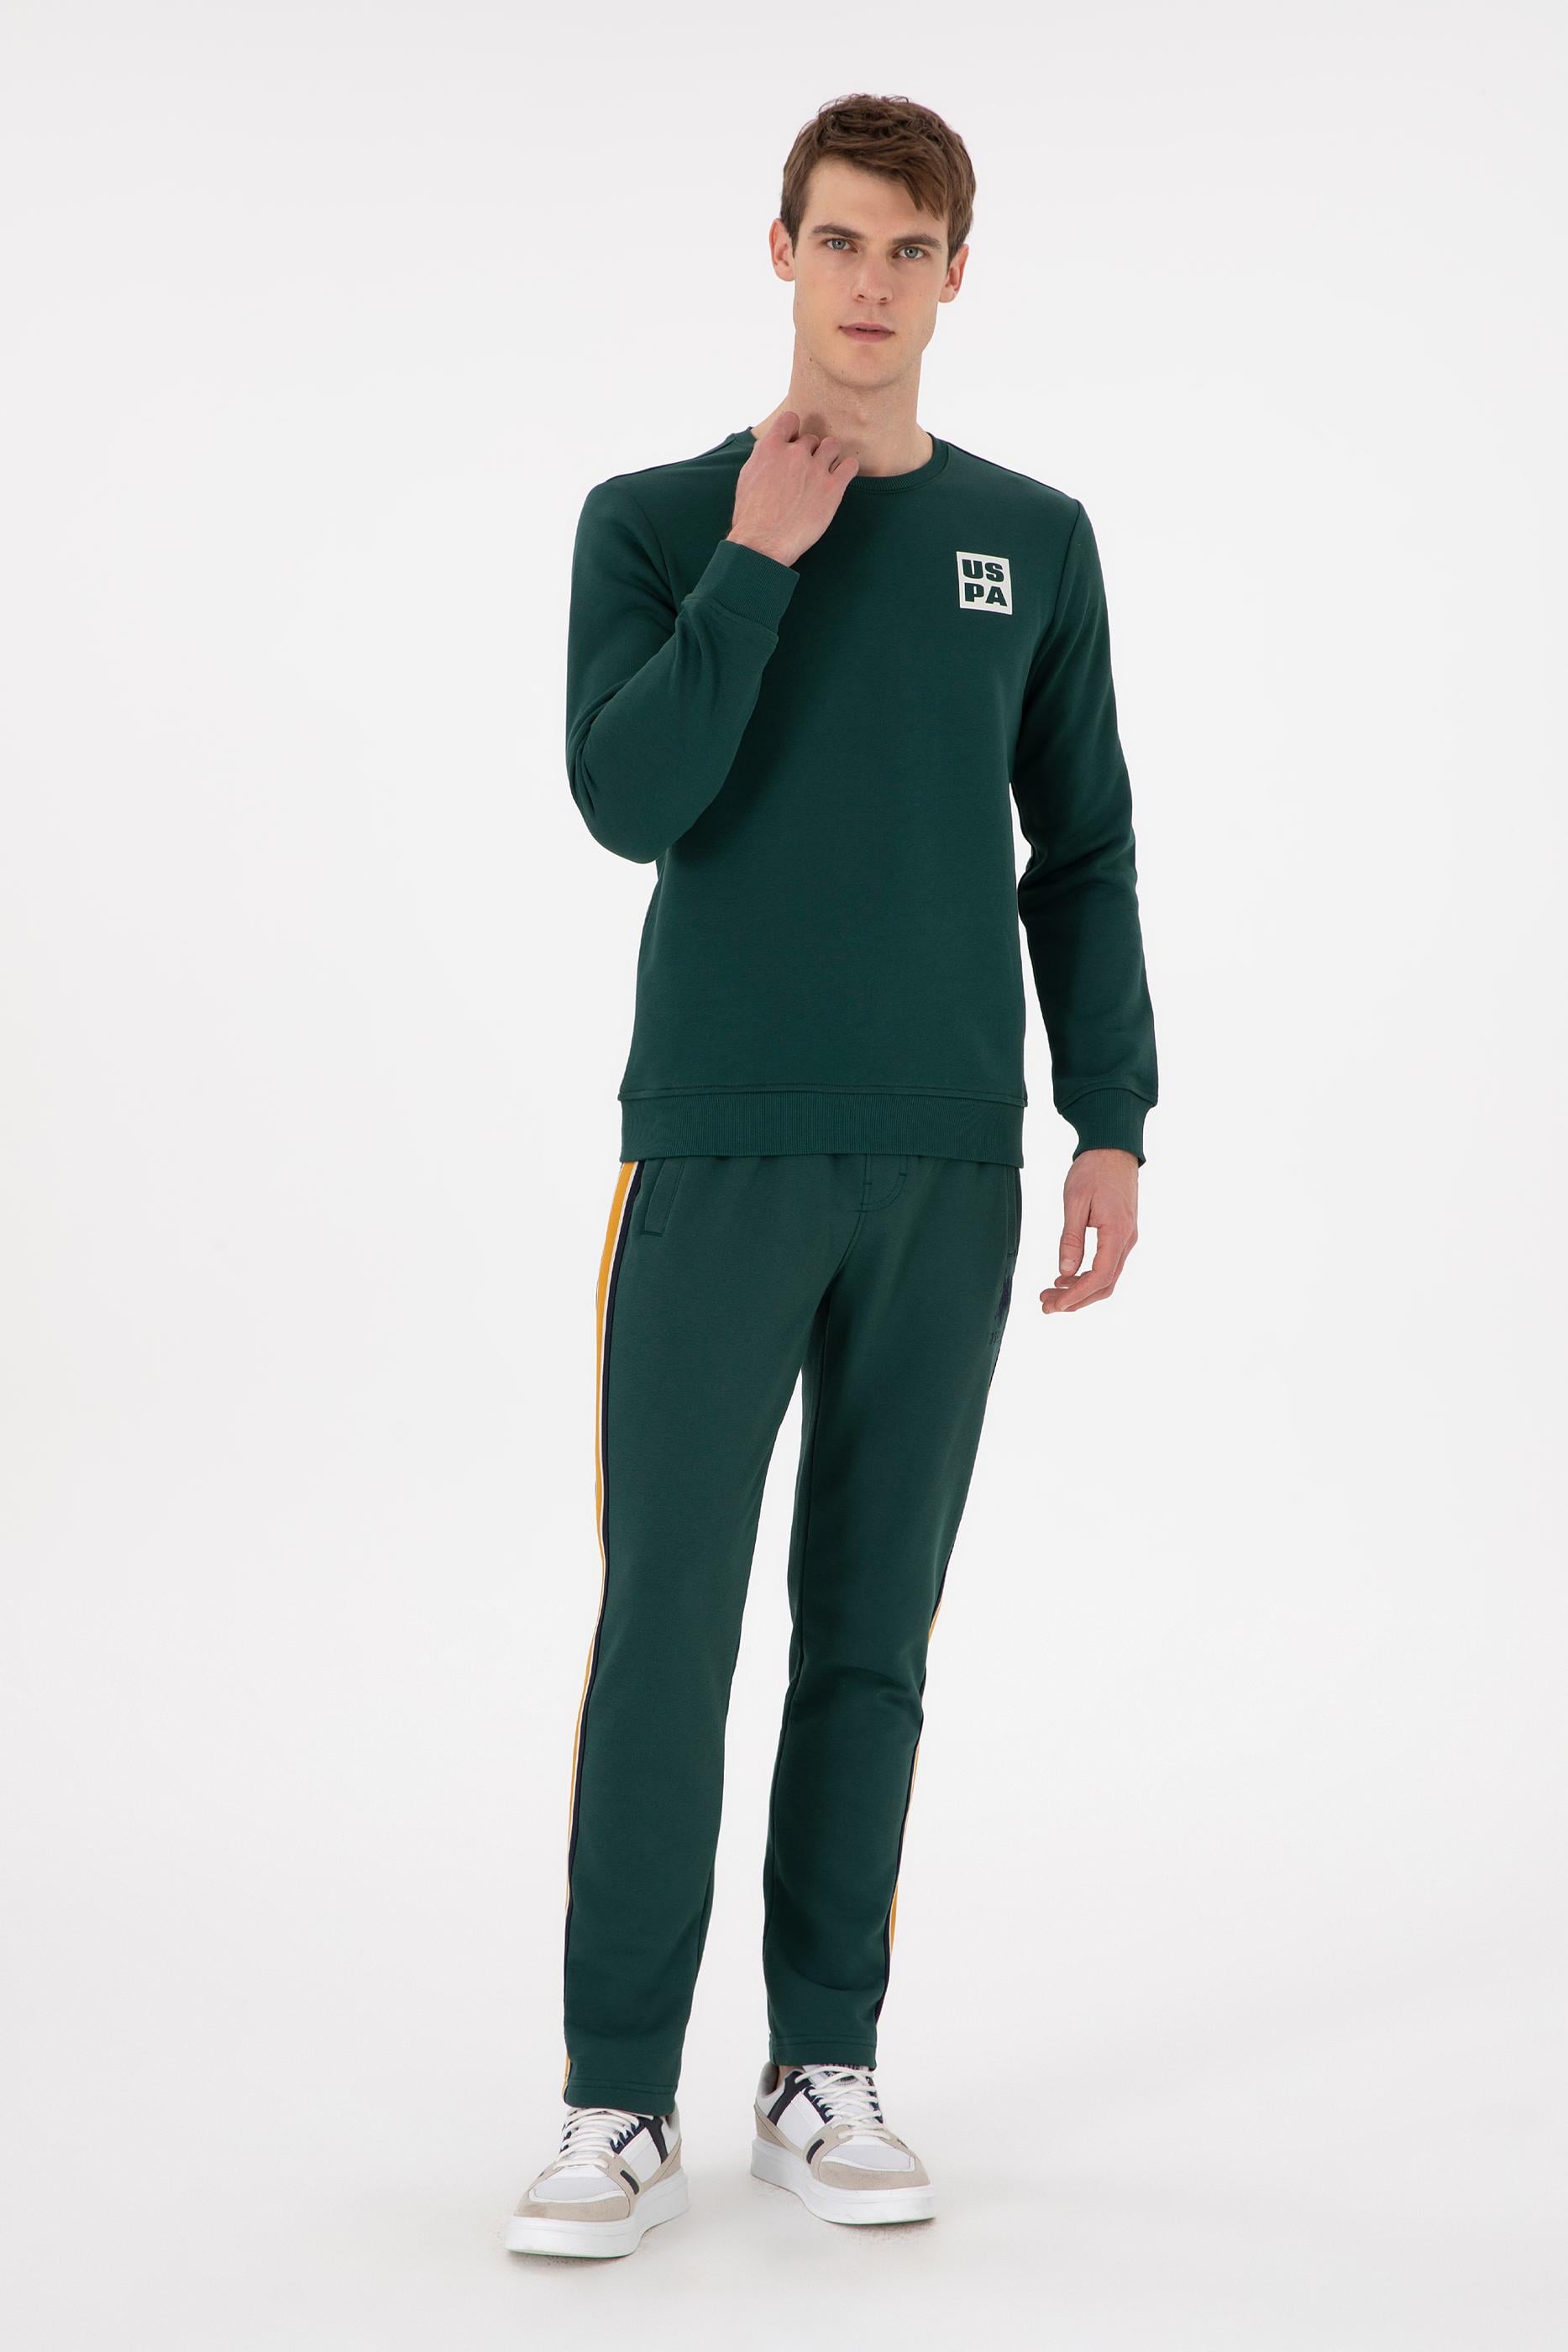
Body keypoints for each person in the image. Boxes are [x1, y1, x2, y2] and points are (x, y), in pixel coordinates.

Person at [507, 91, 1158, 2260]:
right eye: (840, 240)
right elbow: (631, 798)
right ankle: (616, 2098)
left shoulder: (1032, 540)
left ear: (957, 274)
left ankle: (820, 2065)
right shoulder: (649, 521)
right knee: (666, 1629)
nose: (872, 284)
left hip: (945, 1164)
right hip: (712, 1151)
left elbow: (1081, 846)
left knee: (869, 1635)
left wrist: (1109, 1115)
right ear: (778, 250)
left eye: (910, 248)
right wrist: (759, 562)